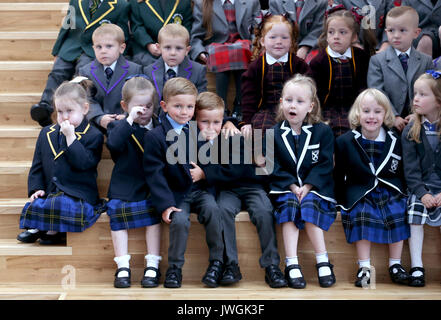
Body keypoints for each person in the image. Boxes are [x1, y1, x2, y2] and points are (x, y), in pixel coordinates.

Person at [193, 91, 287, 288]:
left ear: (222, 120)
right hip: (227, 190)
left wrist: (206, 174)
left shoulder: (231, 134)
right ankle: (231, 264)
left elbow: (237, 169)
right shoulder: (194, 139)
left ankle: (271, 266)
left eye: (216, 122)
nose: (211, 128)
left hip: (250, 185)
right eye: (205, 122)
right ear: (195, 120)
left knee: (263, 211)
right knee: (223, 210)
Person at [143, 77, 224, 288]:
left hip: (200, 191)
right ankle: (175, 269)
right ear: (164, 106)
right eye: (177, 106)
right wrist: (165, 204)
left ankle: (217, 263)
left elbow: (212, 160)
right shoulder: (155, 136)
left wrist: (204, 173)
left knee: (215, 212)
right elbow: (155, 174)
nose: (184, 111)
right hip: (175, 193)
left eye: (189, 106)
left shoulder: (198, 130)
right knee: (179, 221)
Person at [334, 88, 410, 287]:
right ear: (357, 113)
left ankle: (396, 265)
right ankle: (365, 269)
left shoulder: (395, 140)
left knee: (398, 211)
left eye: (377, 111)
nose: (371, 116)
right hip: (360, 191)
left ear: (386, 114)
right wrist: (339, 200)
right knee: (360, 215)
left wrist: (403, 191)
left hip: (389, 189)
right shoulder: (345, 141)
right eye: (366, 111)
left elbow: (401, 171)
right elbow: (338, 174)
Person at [269, 74, 337, 289]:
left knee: (309, 205)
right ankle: (291, 263)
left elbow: (325, 164)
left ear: (310, 106)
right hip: (285, 188)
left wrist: (307, 186)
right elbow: (270, 166)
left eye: (300, 101)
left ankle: (323, 260)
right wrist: (292, 185)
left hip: (315, 188)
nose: (293, 106)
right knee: (289, 205)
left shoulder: (323, 132)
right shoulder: (273, 133)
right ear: (281, 103)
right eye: (288, 100)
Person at [17, 79, 104, 245]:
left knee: (61, 202)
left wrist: (71, 137)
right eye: (60, 112)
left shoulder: (93, 135)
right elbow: (37, 166)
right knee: (39, 201)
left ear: (84, 109)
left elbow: (84, 163)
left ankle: (51, 229)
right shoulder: (46, 133)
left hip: (78, 192)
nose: (64, 116)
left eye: (69, 111)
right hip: (52, 190)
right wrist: (36, 188)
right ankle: (42, 228)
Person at [30, 0, 129, 127]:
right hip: (71, 45)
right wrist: (57, 50)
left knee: (80, 77)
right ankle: (45, 107)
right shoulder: (76, 1)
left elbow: (123, 33)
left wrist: (122, 56)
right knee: (58, 71)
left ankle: (74, 112)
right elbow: (66, 26)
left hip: (94, 50)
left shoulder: (120, 5)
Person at [106, 77, 162, 289]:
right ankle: (122, 266)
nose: (144, 111)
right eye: (138, 107)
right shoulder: (118, 126)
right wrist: (129, 120)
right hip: (126, 183)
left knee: (154, 213)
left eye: (148, 106)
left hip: (152, 184)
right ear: (124, 106)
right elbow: (114, 143)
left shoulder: (160, 126)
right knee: (117, 213)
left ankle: (153, 264)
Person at [240, 14, 310, 137]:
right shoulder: (256, 67)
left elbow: (309, 90)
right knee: (262, 132)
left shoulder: (299, 65)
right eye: (273, 37)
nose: (278, 42)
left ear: (291, 42)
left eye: (284, 37)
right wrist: (246, 121)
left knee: (301, 130)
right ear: (262, 41)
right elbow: (249, 97)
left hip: (293, 109)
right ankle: (264, 156)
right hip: (266, 111)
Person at [308, 6, 374, 137]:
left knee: (353, 134)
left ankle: (343, 157)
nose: (336, 37)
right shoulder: (317, 62)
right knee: (265, 130)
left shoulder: (361, 58)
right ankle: (261, 157)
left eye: (342, 32)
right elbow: (314, 95)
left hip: (353, 107)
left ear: (354, 37)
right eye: (331, 32)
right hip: (323, 110)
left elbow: (363, 88)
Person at [401, 70, 441, 287]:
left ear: (438, 100)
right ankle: (417, 266)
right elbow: (411, 171)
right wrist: (422, 193)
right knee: (415, 211)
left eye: (423, 94)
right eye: (415, 93)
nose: (415, 98)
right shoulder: (411, 130)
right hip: (421, 188)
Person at [367, 6, 434, 133]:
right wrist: (394, 116)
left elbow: (430, 91)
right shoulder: (377, 61)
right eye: (391, 30)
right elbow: (377, 92)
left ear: (416, 33)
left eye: (403, 30)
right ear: (386, 32)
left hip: (419, 120)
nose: (396, 36)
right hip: (387, 121)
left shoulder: (426, 61)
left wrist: (418, 114)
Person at [190, 0, 261, 118]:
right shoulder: (202, 3)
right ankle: (221, 105)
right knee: (222, 53)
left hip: (243, 47)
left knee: (240, 50)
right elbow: (196, 36)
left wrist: (255, 48)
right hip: (216, 48)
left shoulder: (251, 2)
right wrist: (200, 52)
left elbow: (257, 31)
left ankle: (240, 106)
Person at [79, 24, 143, 131]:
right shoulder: (85, 71)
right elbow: (86, 98)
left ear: (121, 48)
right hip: (96, 124)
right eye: (99, 47)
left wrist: (128, 115)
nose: (103, 51)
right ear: (93, 48)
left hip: (127, 123)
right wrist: (99, 117)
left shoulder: (134, 69)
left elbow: (138, 97)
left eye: (109, 46)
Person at [143, 23, 207, 113]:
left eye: (179, 48)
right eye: (168, 47)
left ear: (187, 50)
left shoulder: (198, 71)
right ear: (159, 48)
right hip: (158, 123)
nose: (173, 53)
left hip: (188, 121)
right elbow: (144, 102)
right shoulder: (148, 71)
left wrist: (193, 127)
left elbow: (201, 104)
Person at [129, 0, 193, 67]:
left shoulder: (184, 2)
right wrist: (149, 45)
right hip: (147, 50)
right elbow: (137, 26)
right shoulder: (136, 2)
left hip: (176, 49)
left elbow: (187, 27)